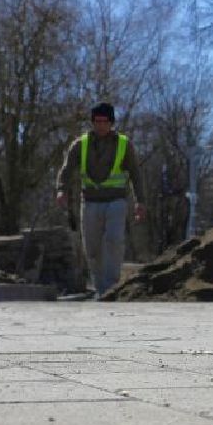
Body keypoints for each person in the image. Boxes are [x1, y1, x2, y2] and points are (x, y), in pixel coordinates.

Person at [55, 102, 145, 295]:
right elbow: (66, 169)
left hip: (116, 202)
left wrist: (140, 201)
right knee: (92, 247)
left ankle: (112, 286)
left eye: (105, 121)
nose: (101, 125)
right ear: (92, 122)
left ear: (111, 122)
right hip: (90, 202)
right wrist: (61, 190)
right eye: (97, 121)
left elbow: (136, 174)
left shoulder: (123, 144)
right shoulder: (81, 144)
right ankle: (100, 287)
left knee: (114, 240)